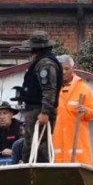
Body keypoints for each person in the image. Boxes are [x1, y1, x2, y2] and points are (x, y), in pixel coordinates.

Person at [17, 30, 63, 163]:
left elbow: (49, 90)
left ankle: (41, 175)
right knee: (31, 146)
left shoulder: (45, 64)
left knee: (38, 147)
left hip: (39, 110)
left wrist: (45, 112)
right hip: (35, 110)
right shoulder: (42, 62)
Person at [53, 55, 93, 164]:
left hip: (78, 153)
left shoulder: (83, 89)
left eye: (66, 69)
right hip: (56, 154)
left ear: (73, 69)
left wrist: (86, 111)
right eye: (61, 69)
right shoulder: (52, 90)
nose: (63, 72)